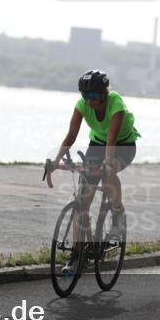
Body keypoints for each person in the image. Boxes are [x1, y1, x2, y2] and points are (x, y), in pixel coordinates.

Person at [49, 70, 140, 272]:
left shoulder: (116, 104)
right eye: (85, 96)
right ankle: (77, 255)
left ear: (104, 94)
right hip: (97, 144)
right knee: (81, 204)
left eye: (93, 96)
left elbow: (112, 139)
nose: (88, 101)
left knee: (108, 173)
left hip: (123, 145)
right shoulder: (82, 105)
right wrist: (56, 161)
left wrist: (108, 163)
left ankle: (117, 213)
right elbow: (71, 135)